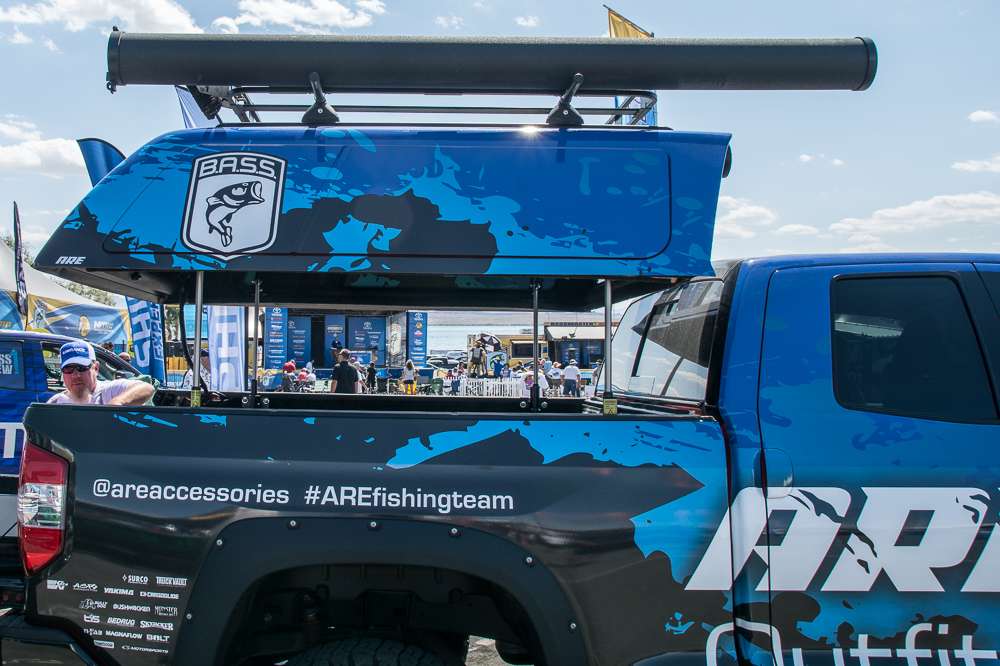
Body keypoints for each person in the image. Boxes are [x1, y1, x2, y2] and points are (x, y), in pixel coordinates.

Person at [47, 341, 154, 406]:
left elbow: (146, 388)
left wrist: (118, 402)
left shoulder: (109, 390)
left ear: (96, 368)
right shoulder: (55, 403)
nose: (75, 375)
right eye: (68, 369)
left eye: (81, 368)